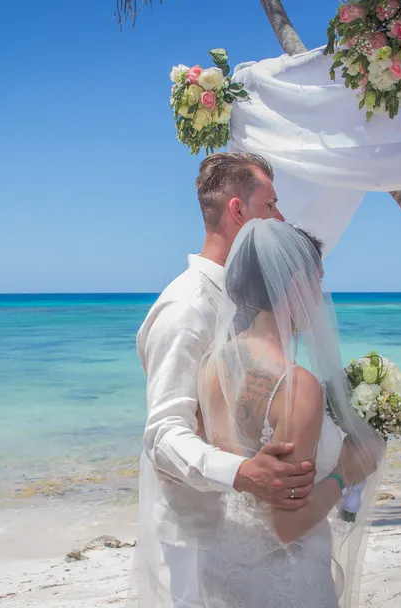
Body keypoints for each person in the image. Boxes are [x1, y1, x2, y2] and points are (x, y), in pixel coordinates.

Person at [130, 152, 316, 608]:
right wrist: (243, 472)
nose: (281, 217)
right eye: (271, 204)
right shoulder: (187, 306)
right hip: (194, 536)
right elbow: (163, 434)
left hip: (244, 531)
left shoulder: (242, 303)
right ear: (238, 211)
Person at [194, 218, 385, 607]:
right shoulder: (296, 386)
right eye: (317, 280)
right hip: (284, 578)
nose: (319, 294)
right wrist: (346, 470)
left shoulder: (212, 364)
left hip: (222, 563)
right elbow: (288, 524)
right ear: (295, 283)